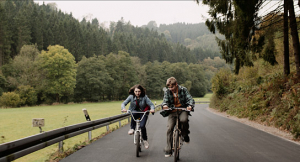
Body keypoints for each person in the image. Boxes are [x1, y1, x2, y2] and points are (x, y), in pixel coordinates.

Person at [161, 77, 195, 157]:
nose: (170, 89)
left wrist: (190, 105)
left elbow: (190, 99)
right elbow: (165, 100)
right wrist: (165, 105)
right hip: (172, 111)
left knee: (184, 120)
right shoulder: (168, 92)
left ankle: (185, 134)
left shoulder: (183, 89)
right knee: (169, 128)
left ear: (176, 84)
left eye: (172, 87)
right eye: (169, 87)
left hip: (182, 110)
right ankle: (168, 149)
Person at [121, 84, 155, 149]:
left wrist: (152, 109)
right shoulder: (131, 97)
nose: (137, 93)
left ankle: (145, 140)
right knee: (133, 113)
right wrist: (123, 108)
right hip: (135, 112)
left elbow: (151, 104)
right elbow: (124, 103)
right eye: (136, 91)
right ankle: (132, 128)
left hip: (143, 113)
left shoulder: (145, 97)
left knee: (142, 126)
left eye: (139, 91)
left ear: (141, 91)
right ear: (134, 91)